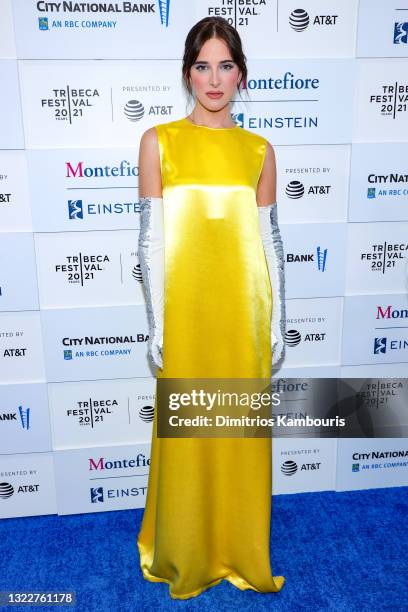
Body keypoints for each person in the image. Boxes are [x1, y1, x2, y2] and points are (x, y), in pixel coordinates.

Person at [136, 16, 286, 600]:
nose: (214, 78)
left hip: (243, 313)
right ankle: (185, 549)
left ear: (241, 74)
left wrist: (276, 319)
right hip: (188, 314)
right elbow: (150, 241)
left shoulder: (259, 150)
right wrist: (158, 322)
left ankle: (240, 548)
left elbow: (271, 240)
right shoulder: (159, 141)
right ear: (187, 74)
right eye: (203, 66)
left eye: (226, 65)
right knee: (189, 431)